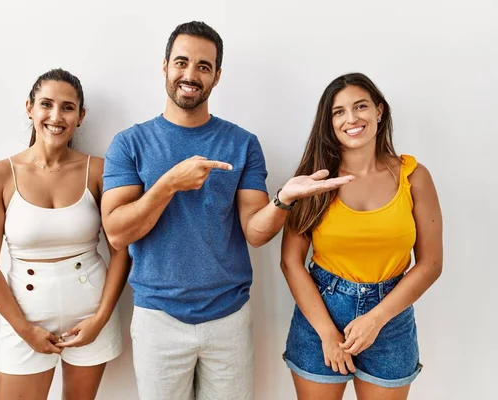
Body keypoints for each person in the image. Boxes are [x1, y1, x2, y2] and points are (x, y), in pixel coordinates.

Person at [100, 21, 353, 400]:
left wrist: (284, 198)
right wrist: (169, 184)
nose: (190, 74)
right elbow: (117, 232)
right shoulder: (130, 143)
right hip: (157, 319)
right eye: (181, 62)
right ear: (165, 66)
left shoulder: (242, 143)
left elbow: (255, 232)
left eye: (203, 66)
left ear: (217, 76)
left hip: (228, 319)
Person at [281, 72, 443, 400]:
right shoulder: (313, 179)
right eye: (338, 111)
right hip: (320, 315)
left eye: (360, 106)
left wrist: (376, 319)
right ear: (328, 122)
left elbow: (431, 264)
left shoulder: (415, 176)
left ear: (379, 111)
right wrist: (327, 333)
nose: (351, 118)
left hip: (390, 318)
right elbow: (290, 261)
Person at [0, 68, 129, 400]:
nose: (56, 116)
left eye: (68, 107)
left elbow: (121, 248)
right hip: (25, 316)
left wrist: (100, 319)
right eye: (46, 104)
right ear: (29, 108)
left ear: (80, 116)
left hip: (90, 314)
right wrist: (24, 329)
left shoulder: (99, 170)